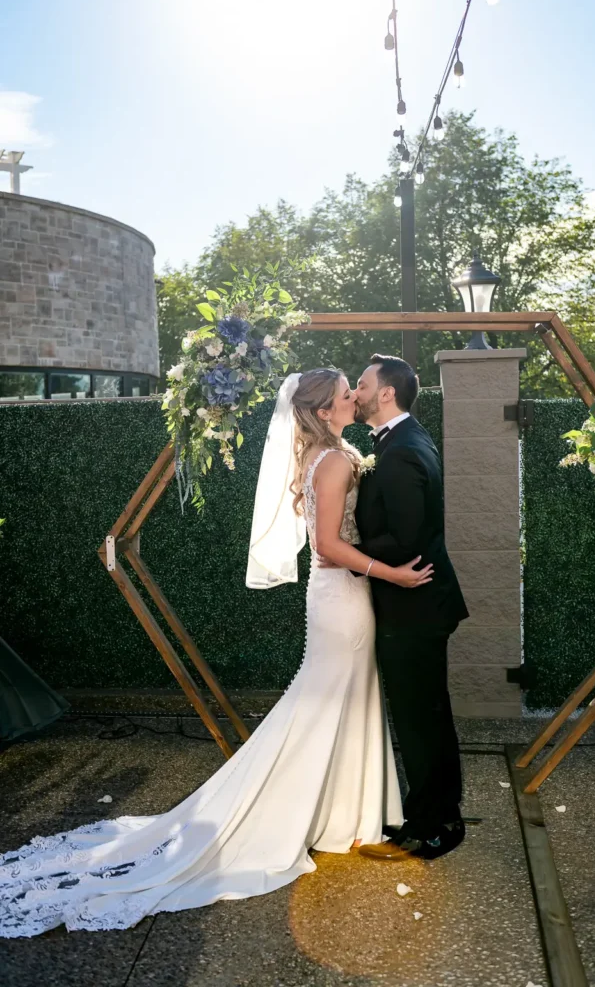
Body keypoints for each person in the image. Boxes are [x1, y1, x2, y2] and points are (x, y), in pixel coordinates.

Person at [0, 368, 431, 938]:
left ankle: (338, 814)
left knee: (337, 701)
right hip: (343, 598)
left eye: (355, 388)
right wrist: (393, 574)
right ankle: (316, 812)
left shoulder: (331, 455)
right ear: (324, 411)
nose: (355, 396)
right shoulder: (332, 463)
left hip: (341, 599)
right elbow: (327, 547)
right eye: (346, 392)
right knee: (326, 702)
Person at [352, 354, 469, 862]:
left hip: (413, 605)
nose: (354, 392)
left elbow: (403, 540)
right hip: (419, 604)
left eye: (360, 384)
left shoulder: (399, 452)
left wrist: (347, 551)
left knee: (421, 720)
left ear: (385, 394)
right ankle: (428, 810)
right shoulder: (400, 440)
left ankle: (437, 823)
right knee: (426, 715)